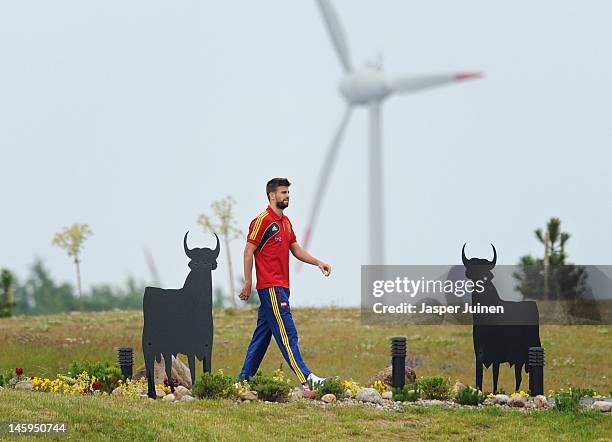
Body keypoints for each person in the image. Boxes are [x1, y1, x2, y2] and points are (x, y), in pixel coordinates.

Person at [238, 177, 331, 391]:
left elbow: (296, 249)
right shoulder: (262, 221)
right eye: (283, 193)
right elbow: (248, 251)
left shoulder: (286, 222)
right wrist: (248, 281)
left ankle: (242, 382)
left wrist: (318, 262)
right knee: (288, 334)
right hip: (270, 288)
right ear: (272, 195)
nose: (287, 196)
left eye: (288, 193)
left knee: (261, 338)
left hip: (282, 288)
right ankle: (308, 380)